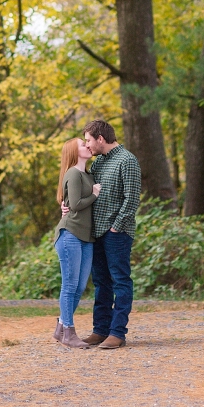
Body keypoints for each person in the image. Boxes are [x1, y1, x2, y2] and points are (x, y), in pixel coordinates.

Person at [74, 119, 141, 350]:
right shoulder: (99, 162)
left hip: (117, 233)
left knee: (120, 281)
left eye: (89, 140)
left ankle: (117, 332)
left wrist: (116, 226)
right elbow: (87, 191)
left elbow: (131, 199)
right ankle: (100, 330)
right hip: (96, 232)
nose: (87, 145)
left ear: (100, 139)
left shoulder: (128, 161)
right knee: (101, 283)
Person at [53, 138, 101, 349]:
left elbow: (70, 204)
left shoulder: (87, 174)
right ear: (75, 152)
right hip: (70, 234)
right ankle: (69, 334)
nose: (87, 146)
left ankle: (61, 328)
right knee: (70, 285)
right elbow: (74, 205)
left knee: (80, 286)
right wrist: (94, 194)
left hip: (86, 237)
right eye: (83, 144)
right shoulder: (72, 173)